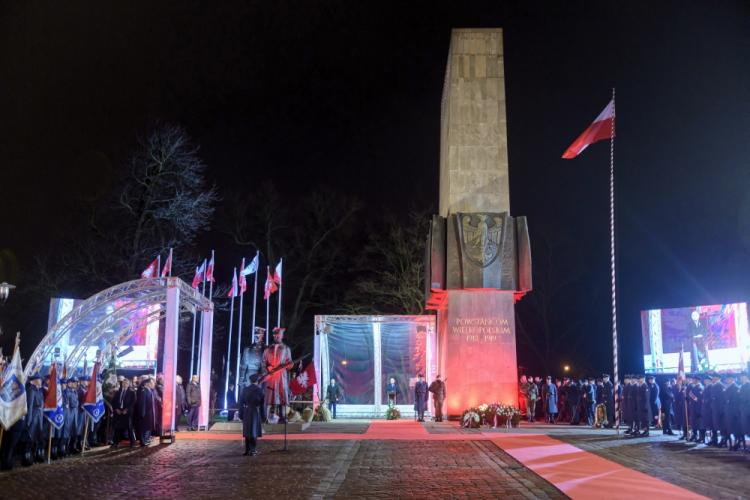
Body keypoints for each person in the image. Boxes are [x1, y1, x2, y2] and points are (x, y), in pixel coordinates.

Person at [263, 327, 293, 422]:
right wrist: (268, 368)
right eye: (275, 334)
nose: (277, 336)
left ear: (282, 336)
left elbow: (290, 363)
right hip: (270, 376)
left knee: (282, 396)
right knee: (269, 397)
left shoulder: (286, 349)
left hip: (281, 376)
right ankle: (266, 417)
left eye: (278, 334)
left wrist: (289, 365)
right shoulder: (268, 349)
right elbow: (263, 362)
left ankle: (283, 417)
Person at [239, 374, 266, 456]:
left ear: (250, 381)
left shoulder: (245, 390)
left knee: (247, 431)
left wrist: (241, 414)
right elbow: (262, 405)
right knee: (254, 430)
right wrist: (263, 416)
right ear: (257, 381)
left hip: (247, 411)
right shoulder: (260, 390)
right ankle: (253, 450)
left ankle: (247, 450)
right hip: (255, 411)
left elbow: (241, 403)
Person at [24, 374, 45, 463]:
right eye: (39, 379)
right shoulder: (31, 390)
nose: (40, 381)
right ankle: (26, 455)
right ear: (34, 380)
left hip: (39, 415)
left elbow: (42, 404)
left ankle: (35, 454)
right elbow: (30, 405)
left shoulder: (39, 390)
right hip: (33, 415)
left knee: (38, 436)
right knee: (30, 436)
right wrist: (29, 420)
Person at [112, 378, 136, 448]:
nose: (124, 384)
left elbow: (133, 403)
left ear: (128, 384)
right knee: (117, 428)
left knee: (129, 428)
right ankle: (115, 443)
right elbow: (114, 402)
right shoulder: (117, 392)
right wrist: (116, 409)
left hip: (127, 413)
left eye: (126, 383)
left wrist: (127, 409)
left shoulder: (132, 393)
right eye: (123, 383)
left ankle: (132, 443)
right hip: (118, 412)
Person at [709, 373, 724, 446]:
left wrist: (720, 410)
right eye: (713, 378)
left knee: (720, 425)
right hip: (713, 408)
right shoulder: (713, 385)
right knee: (713, 425)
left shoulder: (720, 385)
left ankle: (722, 440)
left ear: (718, 378)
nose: (713, 379)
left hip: (718, 409)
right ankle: (714, 439)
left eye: (714, 378)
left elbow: (721, 399)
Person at [687, 376, 703, 442]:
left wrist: (691, 395)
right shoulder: (694, 387)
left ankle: (701, 437)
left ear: (698, 380)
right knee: (693, 423)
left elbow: (699, 399)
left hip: (698, 408)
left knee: (699, 423)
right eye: (693, 379)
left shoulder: (700, 387)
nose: (693, 380)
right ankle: (694, 435)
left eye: (694, 380)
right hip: (693, 408)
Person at [700, 375, 713, 444]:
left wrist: (706, 400)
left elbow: (711, 397)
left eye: (706, 380)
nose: (705, 381)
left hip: (709, 408)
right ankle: (703, 438)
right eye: (705, 380)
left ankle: (712, 439)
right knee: (704, 424)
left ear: (709, 381)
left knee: (710, 425)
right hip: (704, 408)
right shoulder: (706, 387)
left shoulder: (711, 387)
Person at [738, 373, 749, 451]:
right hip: (743, 409)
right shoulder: (742, 386)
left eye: (742, 377)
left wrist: (739, 397)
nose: (741, 379)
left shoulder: (748, 386)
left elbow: (746, 397)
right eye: (741, 377)